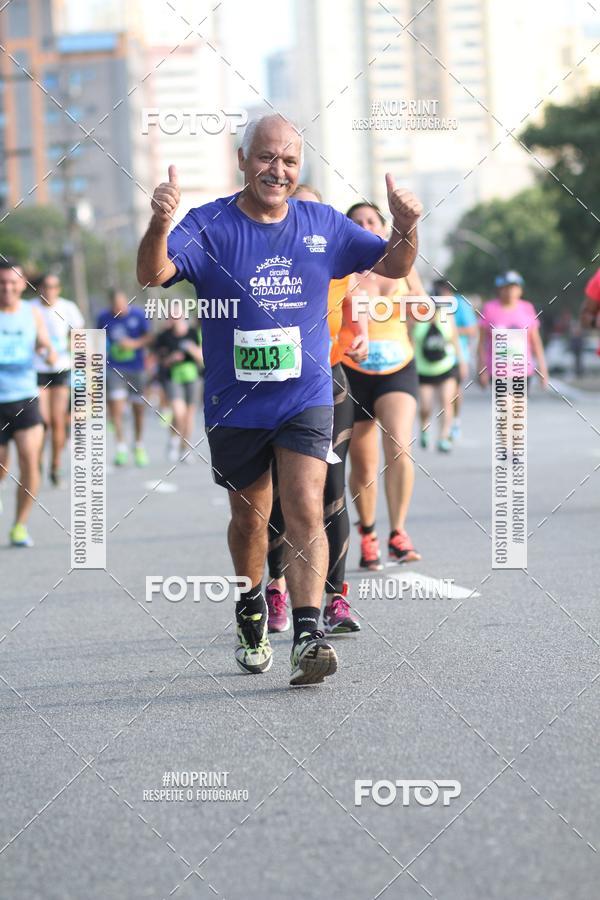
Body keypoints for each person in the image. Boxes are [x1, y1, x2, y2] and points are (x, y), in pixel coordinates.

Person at [136, 114, 422, 686]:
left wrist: (407, 226)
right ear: (243, 160)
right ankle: (250, 608)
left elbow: (394, 264)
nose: (278, 170)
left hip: (305, 394)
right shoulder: (209, 224)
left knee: (306, 505)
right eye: (267, 157)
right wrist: (160, 223)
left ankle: (309, 633)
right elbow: (153, 272)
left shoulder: (323, 223)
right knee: (250, 519)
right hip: (236, 402)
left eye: (290, 161)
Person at [266, 184, 369, 636]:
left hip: (328, 382)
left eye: (313, 210)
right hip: (273, 386)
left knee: (331, 489)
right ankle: (275, 588)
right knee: (278, 492)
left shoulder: (336, 263)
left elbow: (354, 319)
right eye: (297, 209)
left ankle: (335, 599)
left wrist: (358, 339)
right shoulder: (267, 261)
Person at [339, 202, 423, 571]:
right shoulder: (341, 269)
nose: (365, 226)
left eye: (371, 220)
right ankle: (369, 532)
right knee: (363, 462)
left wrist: (416, 307)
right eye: (356, 222)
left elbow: (423, 308)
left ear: (383, 226)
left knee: (400, 447)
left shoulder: (403, 266)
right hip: (353, 370)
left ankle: (398, 533)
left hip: (397, 366)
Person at [0, 261, 56, 546]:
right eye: (2, 283)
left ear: (22, 285)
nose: (7, 288)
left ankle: (19, 525)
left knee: (30, 461)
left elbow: (44, 341)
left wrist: (48, 352)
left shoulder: (31, 312)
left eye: (13, 282)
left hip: (25, 397)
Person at [33, 273, 84, 486]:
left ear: (59, 289)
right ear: (39, 288)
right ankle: (36, 461)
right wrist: (39, 349)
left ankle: (55, 465)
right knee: (41, 421)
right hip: (37, 370)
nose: (49, 290)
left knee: (57, 420)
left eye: (54, 286)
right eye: (46, 286)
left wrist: (67, 348)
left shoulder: (68, 307)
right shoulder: (31, 308)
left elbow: (79, 335)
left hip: (61, 369)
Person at [96, 289, 153, 467]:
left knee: (138, 409)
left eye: (122, 304)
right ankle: (121, 447)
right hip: (114, 369)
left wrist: (134, 344)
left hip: (137, 369)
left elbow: (149, 337)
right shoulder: (103, 318)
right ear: (111, 305)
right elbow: (97, 339)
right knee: (116, 408)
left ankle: (139, 444)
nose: (120, 308)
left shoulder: (138, 315)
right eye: (116, 306)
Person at [478, 271, 548, 390]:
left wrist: (542, 368)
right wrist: (481, 368)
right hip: (499, 371)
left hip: (522, 370)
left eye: (514, 288)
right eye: (506, 288)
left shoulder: (527, 308)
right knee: (505, 401)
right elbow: (482, 343)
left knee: (517, 402)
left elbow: (535, 341)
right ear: (499, 290)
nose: (510, 292)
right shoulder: (489, 309)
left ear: (520, 290)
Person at [413, 299, 466, 452]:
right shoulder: (416, 319)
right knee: (425, 406)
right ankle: (424, 428)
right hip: (424, 370)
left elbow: (454, 339)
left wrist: (461, 361)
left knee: (446, 401)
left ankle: (444, 436)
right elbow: (411, 341)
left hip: (446, 367)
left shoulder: (447, 317)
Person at [152, 311, 203, 462]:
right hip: (173, 378)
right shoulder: (164, 336)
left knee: (189, 416)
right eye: (172, 315)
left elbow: (202, 357)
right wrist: (171, 359)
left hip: (193, 378)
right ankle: (174, 440)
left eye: (178, 315)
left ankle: (185, 449)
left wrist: (191, 349)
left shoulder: (193, 333)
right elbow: (159, 361)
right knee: (179, 413)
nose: (175, 319)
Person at [433, 279, 477, 441]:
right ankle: (445, 427)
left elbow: (472, 330)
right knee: (442, 395)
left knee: (455, 392)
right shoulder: (432, 304)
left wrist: (449, 330)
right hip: (437, 356)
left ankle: (456, 422)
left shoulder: (460, 304)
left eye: (440, 292)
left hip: (458, 356)